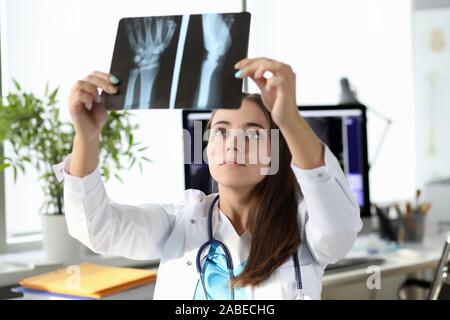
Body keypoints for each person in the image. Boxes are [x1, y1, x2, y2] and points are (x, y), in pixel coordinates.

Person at [53, 57, 362, 300]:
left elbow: (339, 229)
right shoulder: (179, 222)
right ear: (208, 147)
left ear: (274, 152)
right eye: (221, 130)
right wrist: (86, 136)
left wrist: (289, 119)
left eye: (253, 133)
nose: (233, 142)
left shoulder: (304, 229)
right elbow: (95, 227)